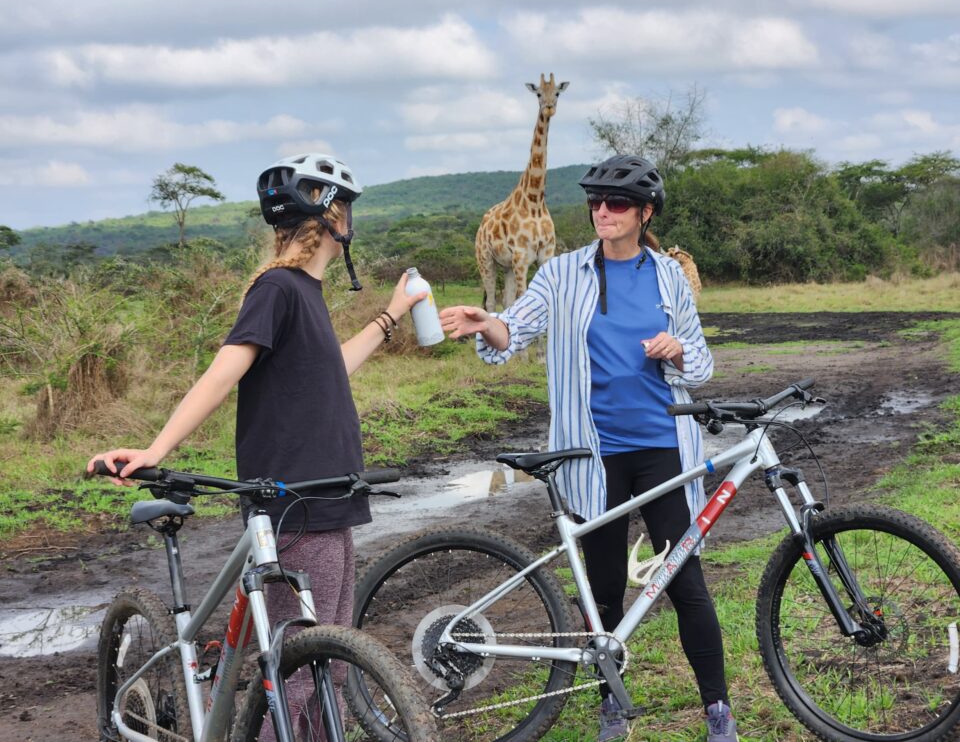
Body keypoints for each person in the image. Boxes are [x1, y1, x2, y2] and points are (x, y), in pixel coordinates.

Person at [87, 152, 424, 739]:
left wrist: (391, 316)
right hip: (293, 506)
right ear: (334, 217)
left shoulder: (304, 291)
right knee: (298, 670)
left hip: (331, 495)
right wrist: (156, 450)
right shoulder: (276, 289)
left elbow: (329, 370)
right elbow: (224, 372)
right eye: (345, 208)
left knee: (329, 668)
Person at [439, 155, 736, 742]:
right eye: (597, 201)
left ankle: (718, 712)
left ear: (644, 213)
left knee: (686, 582)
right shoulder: (563, 274)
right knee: (601, 594)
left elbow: (701, 364)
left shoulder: (668, 276)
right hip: (592, 457)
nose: (603, 210)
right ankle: (613, 708)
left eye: (617, 203)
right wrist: (484, 322)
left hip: (662, 451)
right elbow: (514, 328)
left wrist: (676, 350)